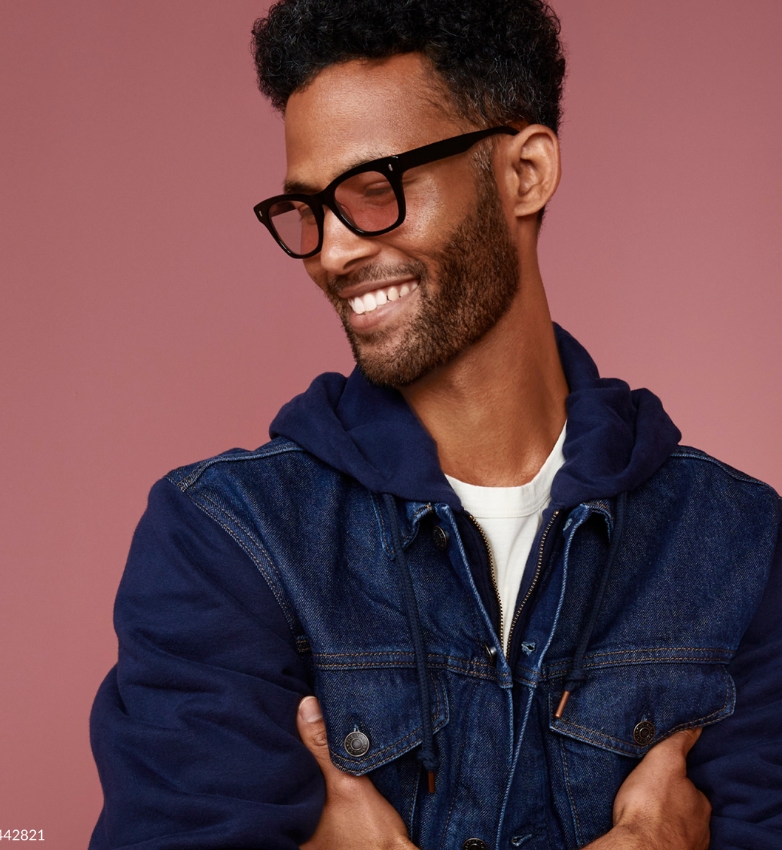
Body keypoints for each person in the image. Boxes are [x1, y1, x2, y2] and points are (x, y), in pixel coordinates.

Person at [89, 2, 782, 848]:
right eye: (308, 210)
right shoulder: (229, 541)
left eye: (376, 192)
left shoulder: (739, 543)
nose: (333, 253)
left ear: (523, 172)